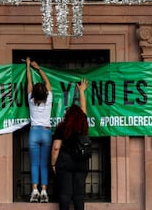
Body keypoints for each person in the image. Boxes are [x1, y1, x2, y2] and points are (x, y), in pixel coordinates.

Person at [51, 79, 89, 210]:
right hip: (81, 161)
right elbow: (83, 109)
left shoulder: (62, 127)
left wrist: (53, 164)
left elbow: (56, 148)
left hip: (64, 162)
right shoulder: (84, 124)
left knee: (65, 194)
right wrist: (82, 91)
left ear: (67, 116)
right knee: (79, 195)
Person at [26, 57, 53, 203]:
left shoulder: (31, 99)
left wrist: (28, 66)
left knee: (34, 163)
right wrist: (39, 68)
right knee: (44, 163)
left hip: (34, 132)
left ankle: (34, 190)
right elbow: (48, 83)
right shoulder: (48, 99)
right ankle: (44, 191)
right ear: (45, 93)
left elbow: (28, 81)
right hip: (46, 131)